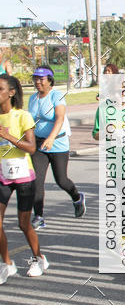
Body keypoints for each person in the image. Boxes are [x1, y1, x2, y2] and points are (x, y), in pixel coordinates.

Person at [0, 74, 48, 279]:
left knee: (23, 224)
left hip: (23, 176)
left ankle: (39, 258)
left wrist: (8, 136)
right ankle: (7, 264)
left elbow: (31, 147)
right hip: (3, 175)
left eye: (0, 89)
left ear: (11, 92)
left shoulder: (22, 116)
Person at [28, 66, 85, 230]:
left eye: (41, 79)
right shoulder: (32, 98)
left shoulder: (56, 96)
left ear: (50, 80)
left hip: (57, 143)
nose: (38, 82)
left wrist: (51, 137)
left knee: (61, 180)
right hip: (39, 145)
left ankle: (77, 197)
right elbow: (30, 121)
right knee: (37, 181)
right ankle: (39, 216)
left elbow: (59, 118)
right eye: (35, 79)